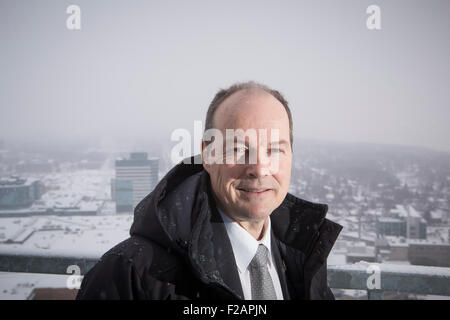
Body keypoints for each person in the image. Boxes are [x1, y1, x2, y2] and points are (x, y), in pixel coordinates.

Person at [76, 81, 342, 300]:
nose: (260, 169)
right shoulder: (129, 273)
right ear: (208, 155)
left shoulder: (304, 260)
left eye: (274, 150)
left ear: (291, 155)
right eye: (238, 149)